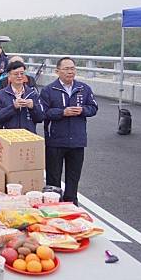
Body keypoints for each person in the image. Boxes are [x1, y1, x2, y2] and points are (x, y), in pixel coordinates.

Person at [40, 57, 98, 205]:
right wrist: (62, 112)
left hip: (77, 141)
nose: (70, 72)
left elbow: (93, 108)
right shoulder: (48, 90)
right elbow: (42, 113)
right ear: (57, 71)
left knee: (73, 176)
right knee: (54, 177)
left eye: (72, 68)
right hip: (55, 141)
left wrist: (83, 110)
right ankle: (53, 205)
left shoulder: (83, 89)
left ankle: (72, 204)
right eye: (66, 69)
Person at [0, 61, 44, 133]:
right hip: (7, 136)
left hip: (28, 136)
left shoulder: (33, 94)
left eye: (22, 73)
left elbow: (40, 118)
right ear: (9, 76)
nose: (19, 76)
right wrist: (13, 107)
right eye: (16, 74)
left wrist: (33, 107)